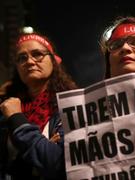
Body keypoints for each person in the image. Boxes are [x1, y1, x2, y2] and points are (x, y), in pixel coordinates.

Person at [0, 32, 78, 180]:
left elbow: (56, 162)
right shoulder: (6, 107)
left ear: (53, 61)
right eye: (22, 58)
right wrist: (43, 145)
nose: (29, 62)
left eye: (37, 54)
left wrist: (17, 119)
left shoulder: (70, 105)